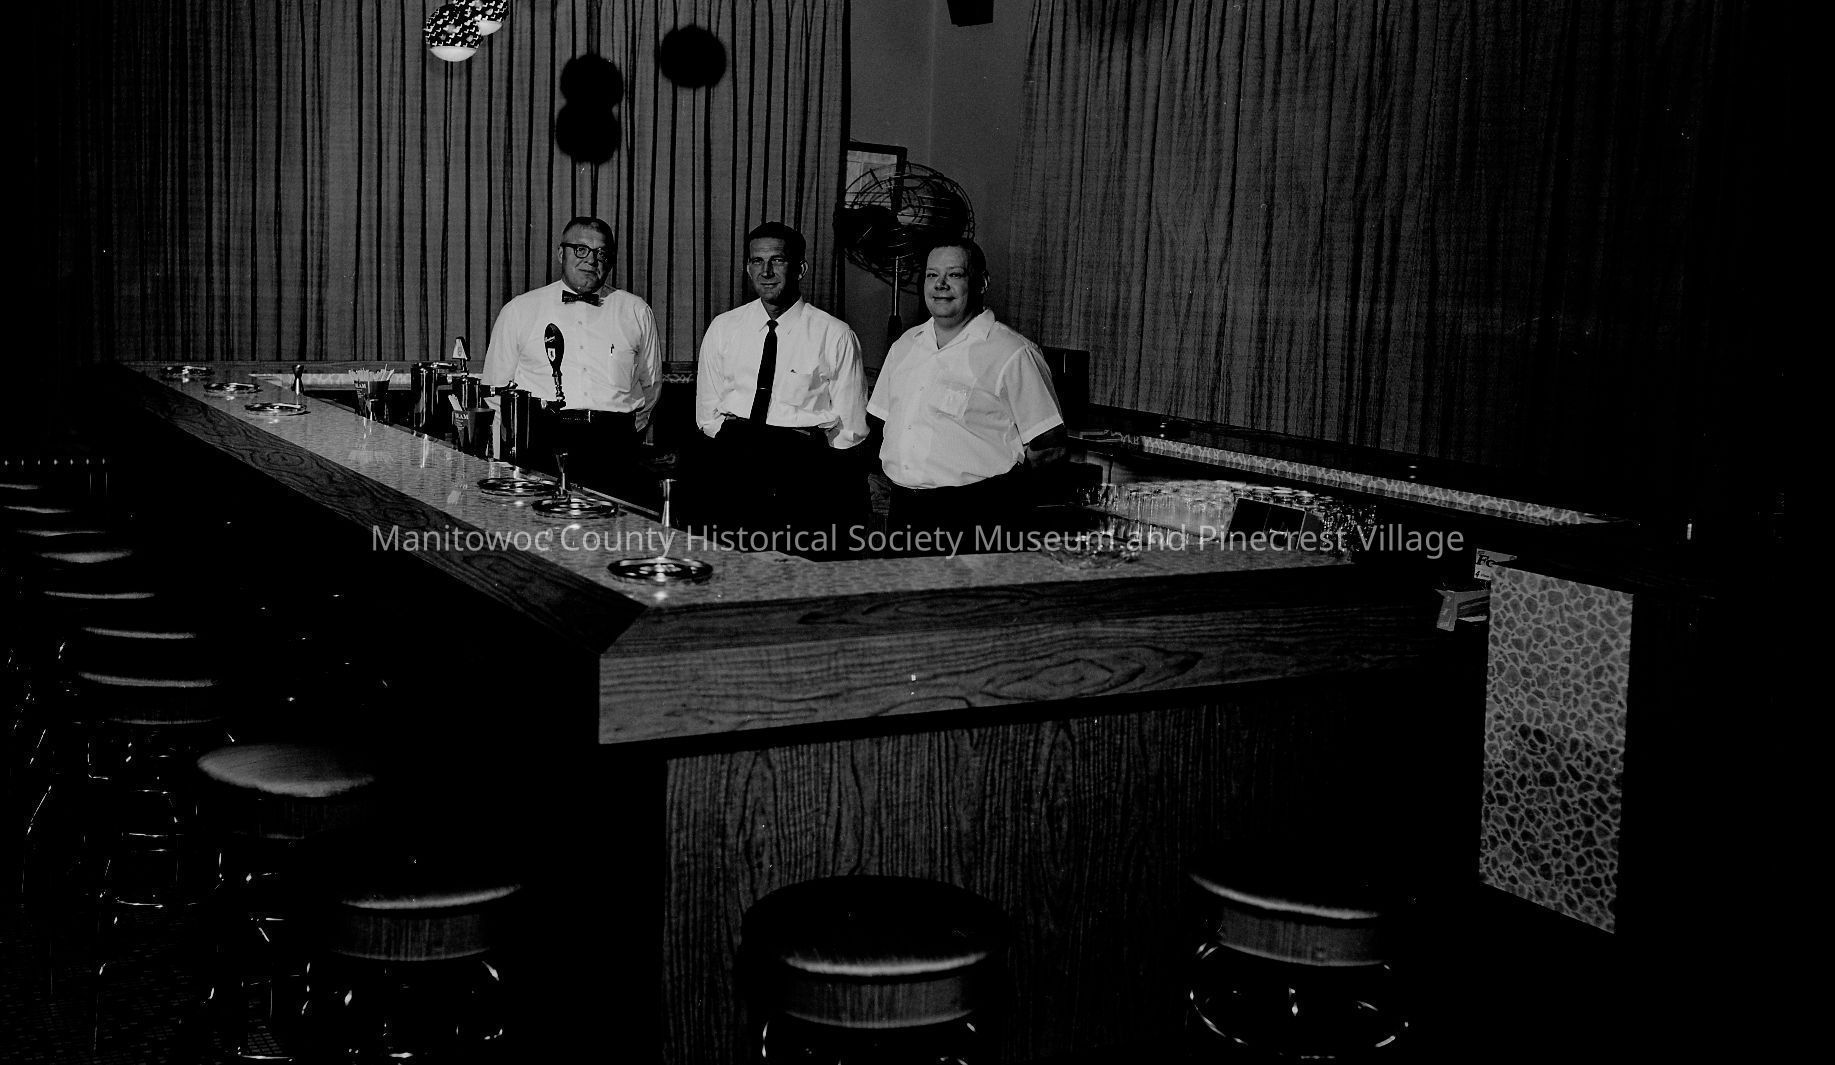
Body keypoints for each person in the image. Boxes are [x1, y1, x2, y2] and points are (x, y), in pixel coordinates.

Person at [867, 239, 1067, 548]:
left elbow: (1049, 444)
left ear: (981, 283)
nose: (940, 285)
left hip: (976, 516)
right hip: (904, 511)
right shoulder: (905, 345)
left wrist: (1002, 498)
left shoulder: (1012, 352)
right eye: (932, 275)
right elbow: (881, 422)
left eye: (954, 274)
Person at [692, 221, 868, 548]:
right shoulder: (724, 328)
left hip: (802, 468)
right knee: (731, 560)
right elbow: (707, 411)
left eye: (777, 260)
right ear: (747, 268)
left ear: (800, 269)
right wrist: (737, 443)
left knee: (793, 564)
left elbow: (851, 426)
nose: (766, 271)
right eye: (757, 261)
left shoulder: (835, 334)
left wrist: (811, 461)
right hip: (735, 459)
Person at [480, 216, 660, 498]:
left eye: (601, 253)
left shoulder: (636, 311)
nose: (591, 260)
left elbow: (650, 386)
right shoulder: (519, 310)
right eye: (581, 249)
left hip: (614, 450)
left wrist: (623, 434)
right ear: (561, 254)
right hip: (541, 444)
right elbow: (495, 390)